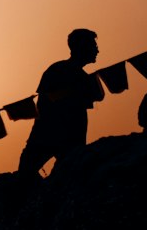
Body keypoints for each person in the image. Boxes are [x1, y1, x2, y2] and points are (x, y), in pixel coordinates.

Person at [18, 29, 100, 177]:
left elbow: (94, 97)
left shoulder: (80, 76)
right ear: (82, 47)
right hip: (51, 133)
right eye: (93, 45)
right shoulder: (58, 70)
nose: (97, 50)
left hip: (66, 136)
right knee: (26, 174)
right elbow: (44, 101)